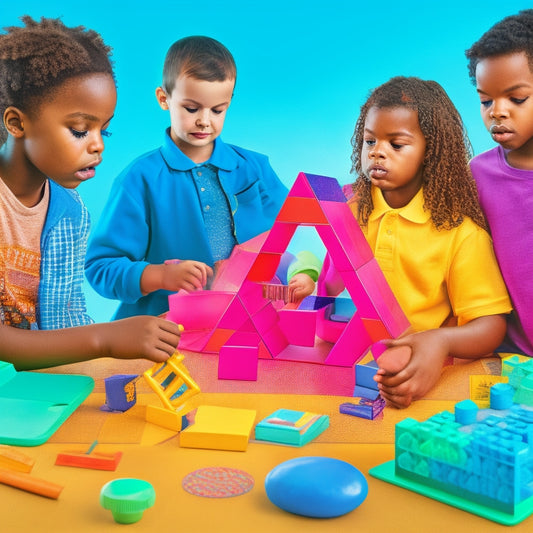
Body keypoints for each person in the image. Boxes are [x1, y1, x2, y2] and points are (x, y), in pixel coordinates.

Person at [0, 16, 182, 370]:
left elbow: (66, 316)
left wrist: (121, 346)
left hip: (36, 389)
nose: (98, 146)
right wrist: (106, 339)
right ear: (17, 123)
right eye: (81, 130)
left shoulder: (70, 211)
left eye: (105, 130)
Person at [318, 76, 512, 408]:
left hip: (415, 364)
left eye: (396, 144)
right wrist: (307, 279)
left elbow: (490, 324)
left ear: (430, 153)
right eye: (369, 141)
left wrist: (439, 342)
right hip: (339, 361)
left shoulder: (459, 233)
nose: (377, 152)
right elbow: (329, 288)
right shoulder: (350, 210)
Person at [85, 35, 311, 319]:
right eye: (191, 109)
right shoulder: (139, 179)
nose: (205, 120)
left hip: (246, 323)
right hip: (164, 330)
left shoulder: (255, 168)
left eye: (218, 110)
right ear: (164, 99)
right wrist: (160, 276)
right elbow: (100, 268)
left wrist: (303, 272)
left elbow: (294, 236)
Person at [465, 9, 533, 357]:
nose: (497, 112)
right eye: (485, 100)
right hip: (511, 360)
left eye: (516, 98)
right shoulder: (477, 175)